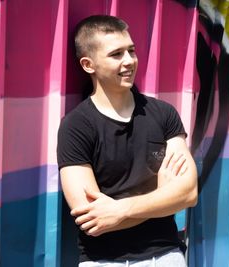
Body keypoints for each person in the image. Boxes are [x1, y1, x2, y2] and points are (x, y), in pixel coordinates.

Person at [57, 15, 198, 266]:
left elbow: (188, 194)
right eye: (116, 54)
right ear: (89, 65)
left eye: (131, 51)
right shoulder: (76, 127)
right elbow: (93, 222)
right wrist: (162, 196)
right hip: (103, 261)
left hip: (166, 256)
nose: (129, 61)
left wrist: (120, 210)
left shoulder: (163, 114)